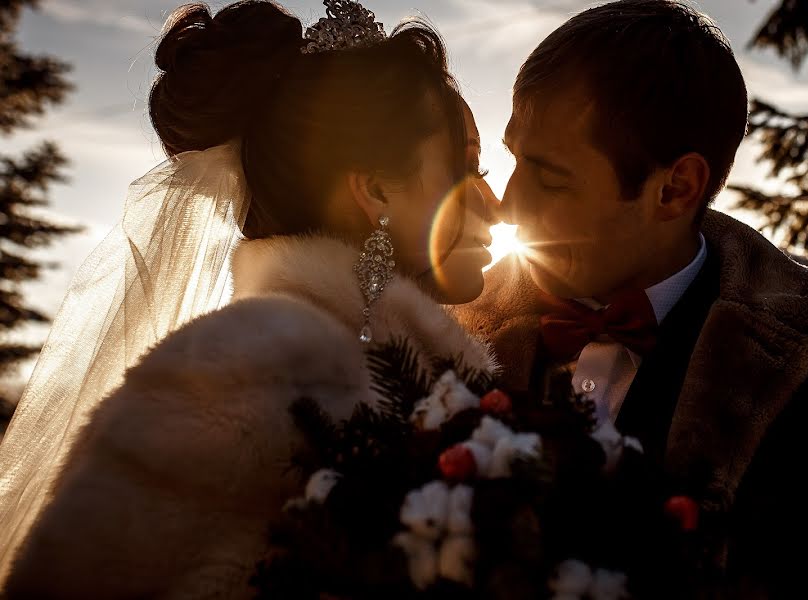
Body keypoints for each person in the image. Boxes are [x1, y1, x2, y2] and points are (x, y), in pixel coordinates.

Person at [0, 1, 500, 597]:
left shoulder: (425, 367)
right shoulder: (243, 377)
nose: (494, 206)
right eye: (466, 170)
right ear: (374, 190)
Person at [451, 0, 808, 595]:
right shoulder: (448, 341)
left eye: (552, 177)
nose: (510, 205)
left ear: (675, 189)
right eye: (515, 160)